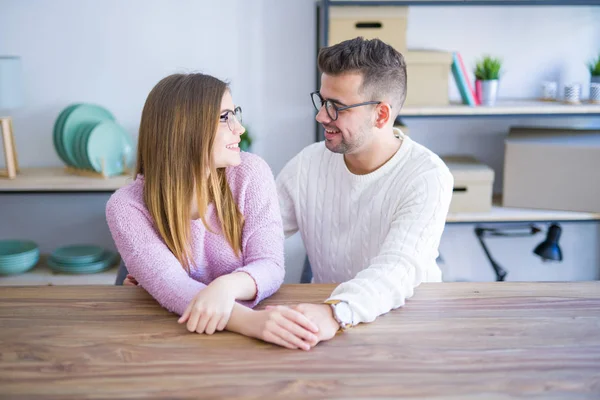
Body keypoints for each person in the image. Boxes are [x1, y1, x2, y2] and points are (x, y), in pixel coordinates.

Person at [106, 73, 319, 351]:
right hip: (170, 338)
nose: (239, 128)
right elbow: (172, 285)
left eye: (235, 114)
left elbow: (270, 265)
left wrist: (226, 287)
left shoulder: (250, 173)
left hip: (217, 332)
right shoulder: (126, 207)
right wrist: (253, 323)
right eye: (225, 117)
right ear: (184, 128)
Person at [273, 37, 454, 345]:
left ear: (381, 115)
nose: (321, 117)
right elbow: (254, 234)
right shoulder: (307, 165)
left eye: (337, 108)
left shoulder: (427, 176)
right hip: (330, 319)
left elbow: (396, 269)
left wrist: (335, 313)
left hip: (405, 324)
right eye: (322, 101)